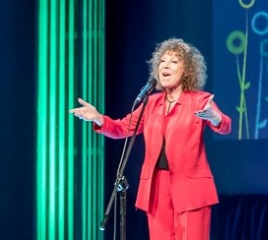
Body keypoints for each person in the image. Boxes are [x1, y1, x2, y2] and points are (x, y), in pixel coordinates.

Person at [69, 38, 232, 240]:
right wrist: (99, 118)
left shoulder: (200, 100)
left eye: (174, 61)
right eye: (162, 61)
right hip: (156, 188)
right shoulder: (151, 103)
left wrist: (215, 118)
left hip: (191, 187)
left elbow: (225, 126)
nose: (165, 65)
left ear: (187, 70)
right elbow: (122, 128)